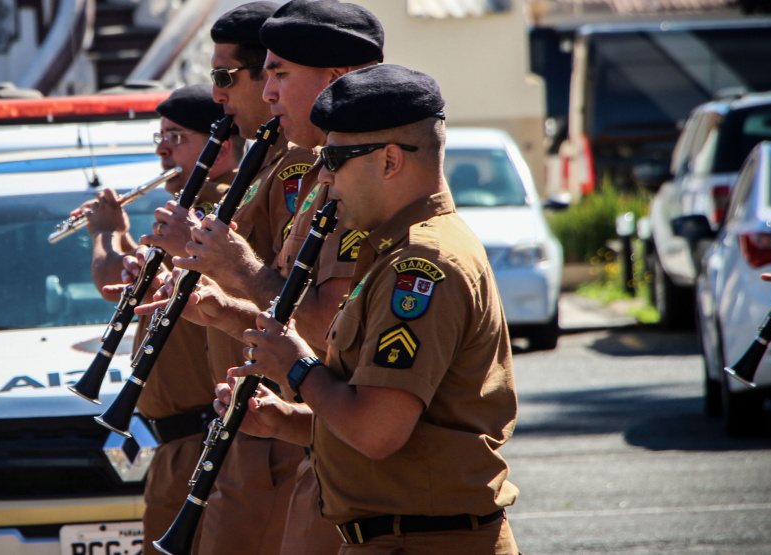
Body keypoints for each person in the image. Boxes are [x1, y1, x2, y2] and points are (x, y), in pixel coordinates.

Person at [216, 64, 521, 554]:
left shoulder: (422, 265)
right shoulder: (393, 252)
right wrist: (288, 421)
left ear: (390, 160)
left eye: (335, 158)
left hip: (426, 541)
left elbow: (378, 431)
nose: (324, 176)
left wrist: (296, 365)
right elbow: (405, 420)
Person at [168, 2, 385, 552]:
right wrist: (216, 307)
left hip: (357, 471)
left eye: (279, 74)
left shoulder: (355, 187)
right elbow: (290, 313)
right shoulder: (320, 174)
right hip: (312, 440)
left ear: (336, 80)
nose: (267, 92)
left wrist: (235, 269)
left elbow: (323, 328)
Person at [129, 4, 319, 554]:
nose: (216, 94)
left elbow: (310, 309)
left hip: (277, 428)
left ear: (266, 80)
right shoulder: (261, 166)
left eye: (224, 77)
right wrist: (201, 300)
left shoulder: (296, 170)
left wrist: (223, 263)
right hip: (244, 425)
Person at [72, 83, 242, 555]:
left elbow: (112, 282)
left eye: (176, 137)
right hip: (180, 445)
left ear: (220, 146)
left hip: (201, 439)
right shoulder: (191, 210)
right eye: (159, 137)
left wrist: (106, 234)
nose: (163, 149)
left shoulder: (213, 210)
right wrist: (125, 240)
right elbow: (141, 284)